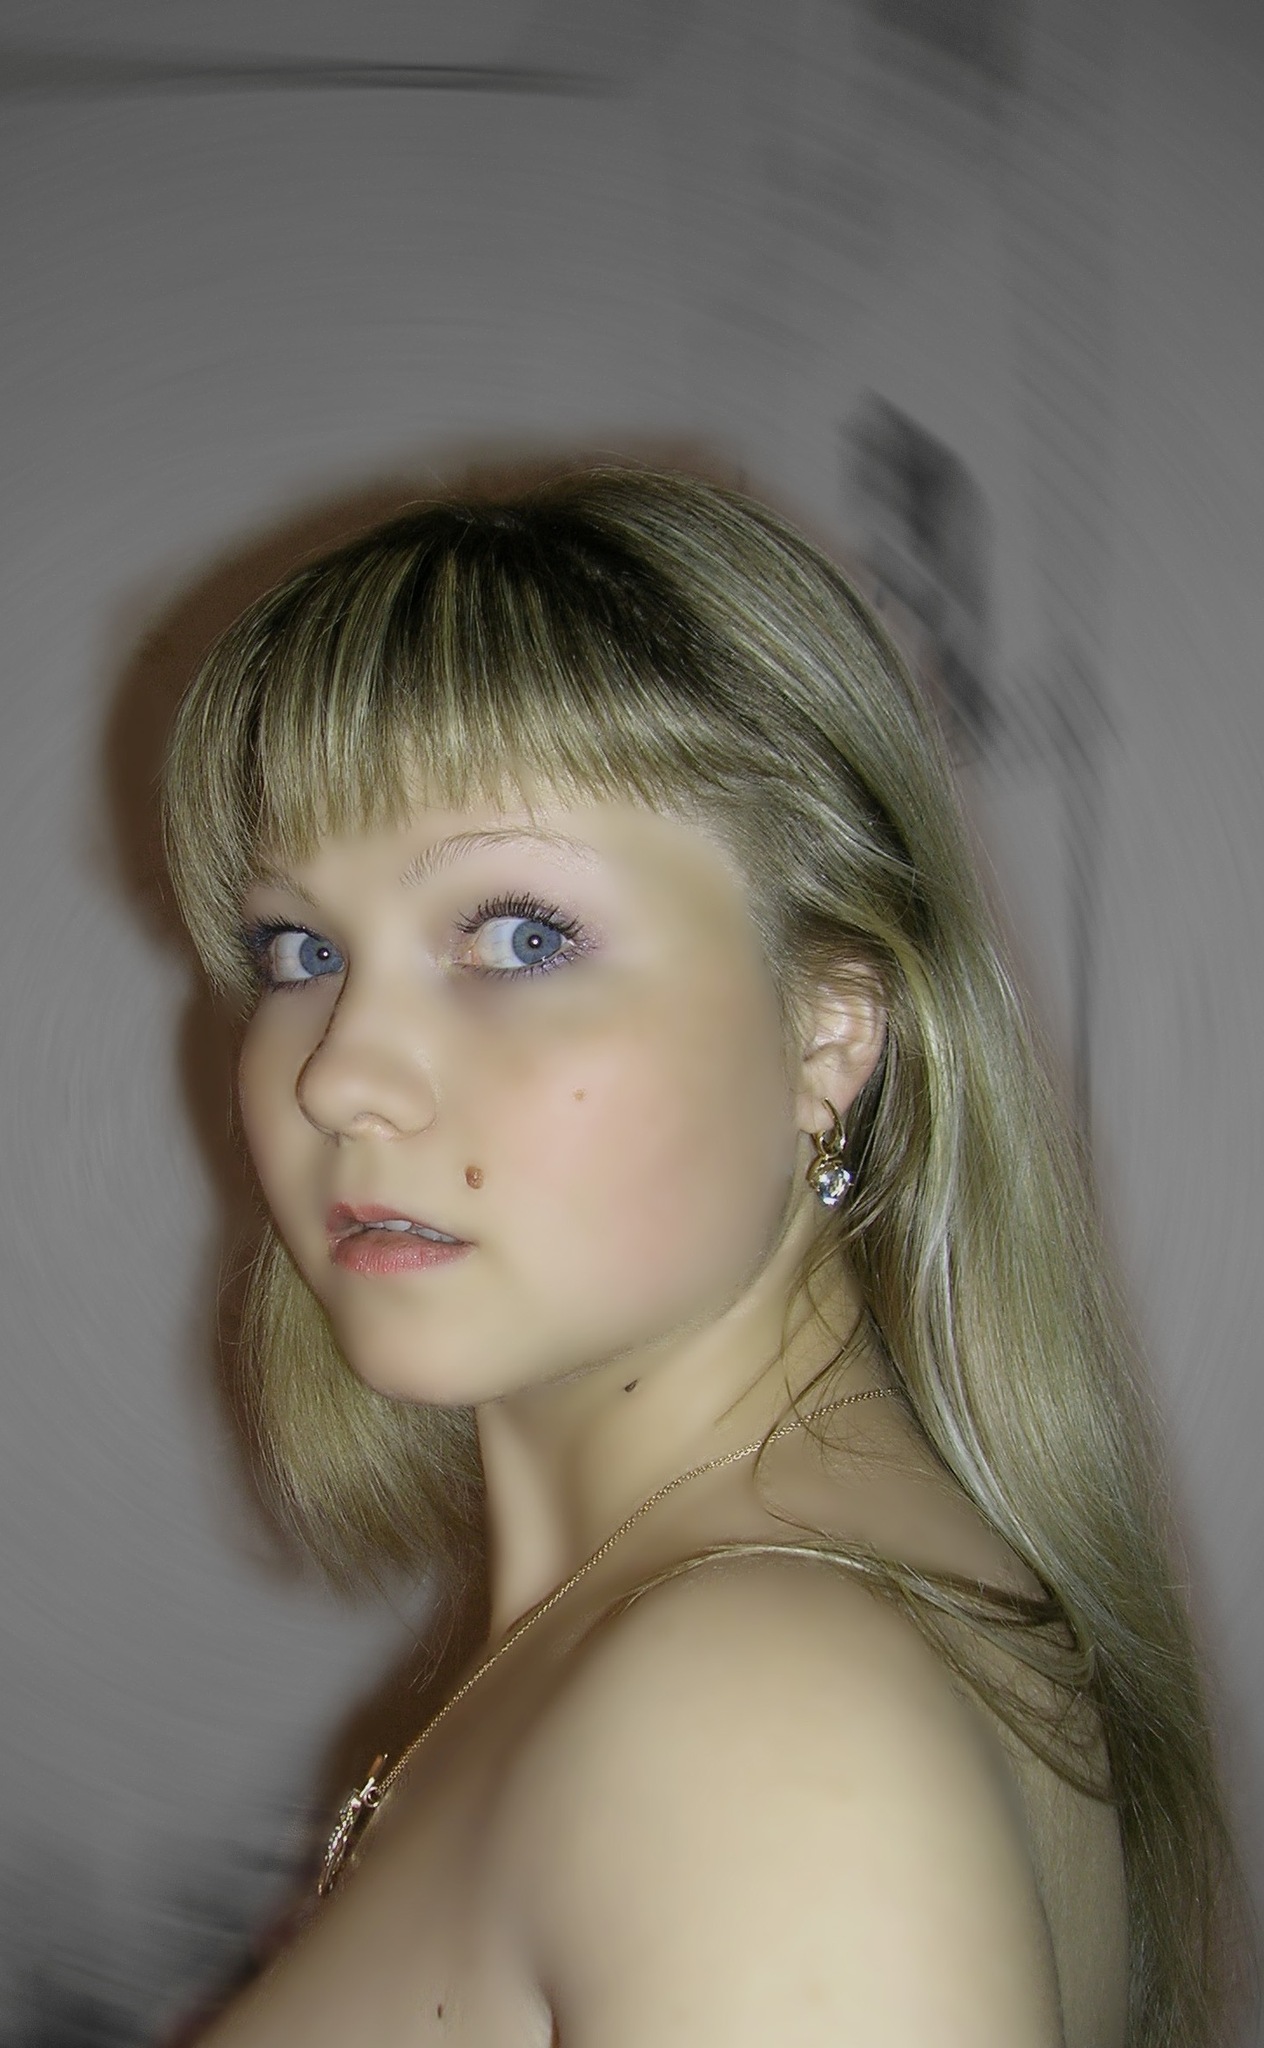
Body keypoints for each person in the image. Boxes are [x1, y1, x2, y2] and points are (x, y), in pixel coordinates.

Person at [162, 465, 1242, 2045]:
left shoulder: (759, 1715)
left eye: (519, 935)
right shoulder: (722, 1630)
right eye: (301, 949)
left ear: (829, 1030)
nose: (340, 1077)